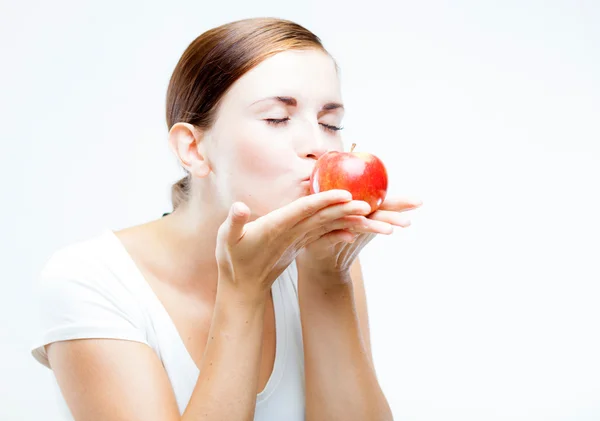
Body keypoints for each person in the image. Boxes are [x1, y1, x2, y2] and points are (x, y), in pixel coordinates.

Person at [31, 17, 422, 421]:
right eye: (276, 118)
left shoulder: (327, 259)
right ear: (194, 149)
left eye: (330, 123)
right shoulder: (91, 281)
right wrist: (242, 290)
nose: (318, 146)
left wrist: (327, 277)